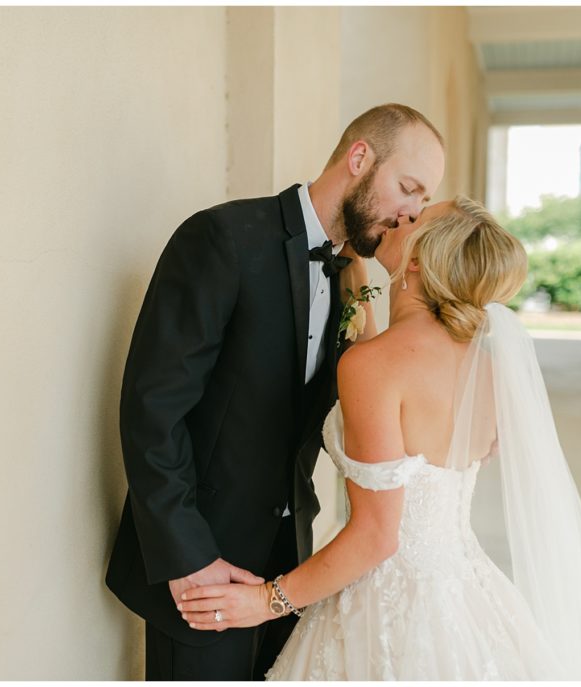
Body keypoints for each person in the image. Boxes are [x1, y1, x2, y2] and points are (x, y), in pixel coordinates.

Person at [178, 197, 581, 680]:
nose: (402, 216)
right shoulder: (488, 370)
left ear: (416, 260)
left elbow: (376, 536)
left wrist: (266, 601)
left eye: (416, 218)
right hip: (466, 594)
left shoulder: (375, 367)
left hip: (386, 603)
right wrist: (359, 284)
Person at [104, 104, 446, 680]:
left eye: (422, 200)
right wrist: (188, 558)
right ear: (360, 158)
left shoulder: (354, 282)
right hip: (201, 572)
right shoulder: (222, 238)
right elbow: (153, 411)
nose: (411, 213)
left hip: (289, 568)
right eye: (407, 189)